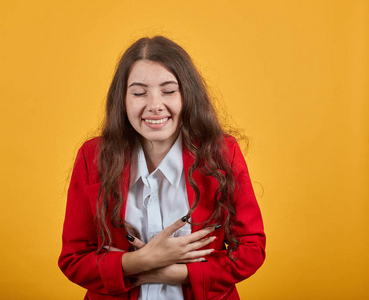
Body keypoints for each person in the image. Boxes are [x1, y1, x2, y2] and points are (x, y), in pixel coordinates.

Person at [58, 36, 266, 300]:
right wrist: (142, 261)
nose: (155, 105)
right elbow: (74, 259)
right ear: (122, 99)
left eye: (168, 91)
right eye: (139, 92)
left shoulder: (222, 152)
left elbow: (251, 249)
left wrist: (175, 273)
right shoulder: (93, 156)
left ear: (187, 95)